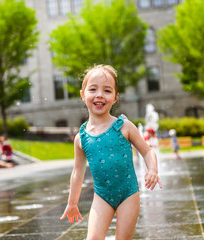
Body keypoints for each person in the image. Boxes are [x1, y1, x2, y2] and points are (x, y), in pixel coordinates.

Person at [60, 65, 162, 239]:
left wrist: (152, 169)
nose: (99, 94)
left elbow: (147, 151)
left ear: (115, 98)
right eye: (93, 89)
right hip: (102, 196)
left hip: (128, 193)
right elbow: (78, 172)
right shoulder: (81, 138)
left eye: (107, 91)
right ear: (83, 95)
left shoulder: (123, 126)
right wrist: (72, 202)